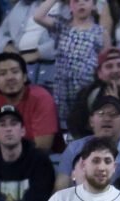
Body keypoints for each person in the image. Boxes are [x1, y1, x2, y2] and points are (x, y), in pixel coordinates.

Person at [33, 0, 105, 129]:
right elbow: (38, 16)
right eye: (76, 1)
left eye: (86, 0)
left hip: (86, 88)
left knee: (86, 124)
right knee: (64, 127)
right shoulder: (62, 26)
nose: (81, 3)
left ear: (94, 5)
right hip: (63, 89)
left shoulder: (100, 32)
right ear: (70, 5)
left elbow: (105, 61)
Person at [56, 93, 120, 189]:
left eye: (113, 114)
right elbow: (60, 186)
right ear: (91, 121)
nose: (107, 119)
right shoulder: (74, 148)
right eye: (101, 113)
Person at [0, 51, 59, 153]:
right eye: (3, 73)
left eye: (15, 72)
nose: (10, 77)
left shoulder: (41, 98)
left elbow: (42, 146)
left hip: (32, 162)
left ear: (24, 77)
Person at [0, 105, 55, 201]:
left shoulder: (40, 161)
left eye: (14, 124)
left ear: (23, 131)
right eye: (2, 125)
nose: (8, 129)